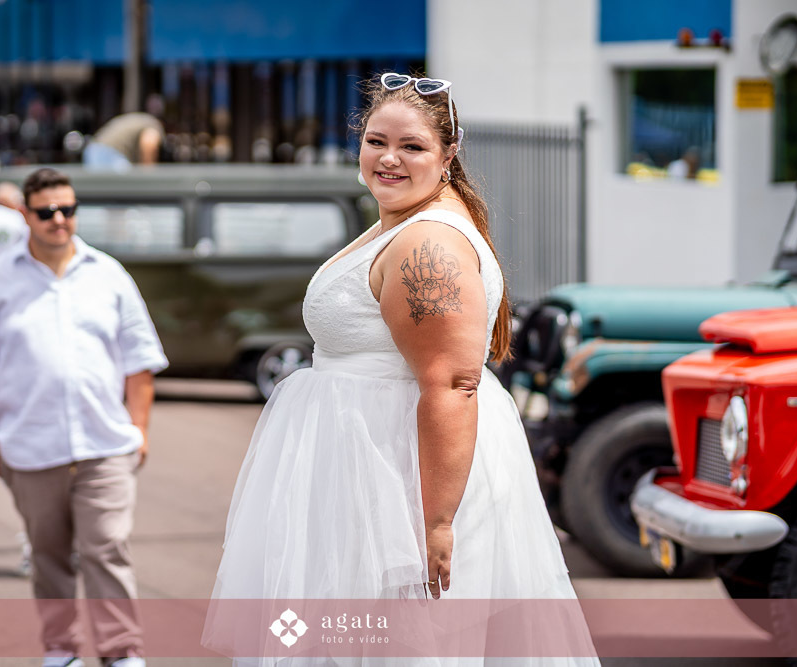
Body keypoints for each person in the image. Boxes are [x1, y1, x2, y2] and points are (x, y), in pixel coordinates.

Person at [205, 74, 600, 665]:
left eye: (412, 146)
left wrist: (435, 524)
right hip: (368, 471)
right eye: (375, 141)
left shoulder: (427, 246)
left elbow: (451, 385)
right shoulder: (401, 218)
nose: (388, 159)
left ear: (448, 154)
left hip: (400, 482)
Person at [0, 167, 168, 667]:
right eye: (46, 212)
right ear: (24, 215)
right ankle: (61, 649)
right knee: (47, 555)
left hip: (104, 444)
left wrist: (140, 431)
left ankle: (120, 651)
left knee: (107, 547)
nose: (59, 220)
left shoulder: (108, 273)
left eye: (67, 209)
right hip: (29, 444)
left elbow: (140, 360)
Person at [82, 112, 164, 170]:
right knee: (127, 187)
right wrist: (149, 174)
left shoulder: (144, 120)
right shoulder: (155, 125)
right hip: (110, 153)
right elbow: (149, 144)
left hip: (93, 149)